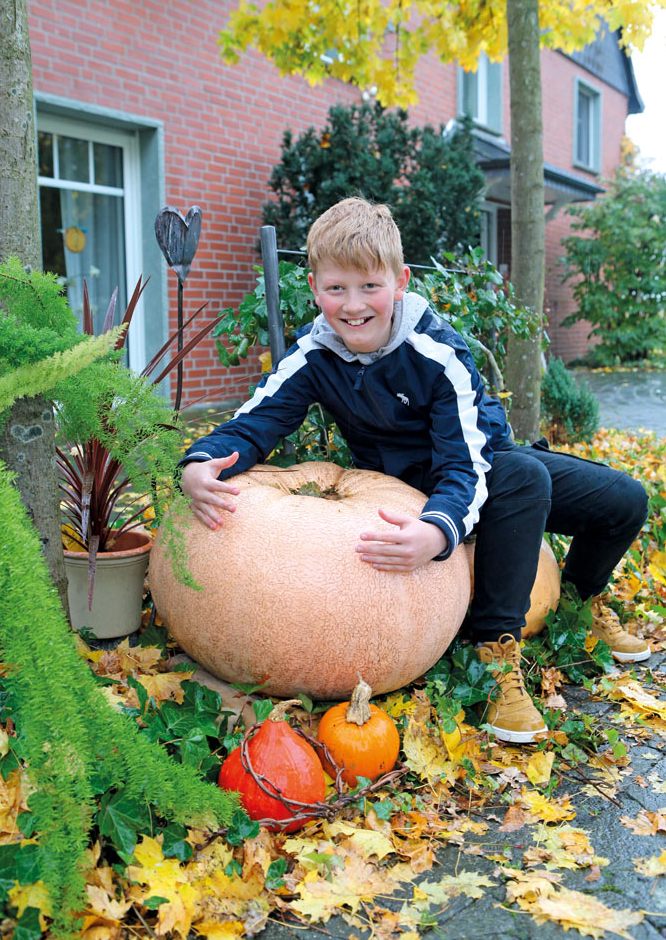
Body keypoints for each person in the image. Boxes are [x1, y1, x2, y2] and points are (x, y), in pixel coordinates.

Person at [180, 197, 649, 744]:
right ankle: (495, 651)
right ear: (314, 289)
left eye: (368, 287)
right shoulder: (313, 354)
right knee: (527, 478)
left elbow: (467, 461)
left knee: (623, 500)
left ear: (400, 282)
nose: (352, 306)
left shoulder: (436, 351)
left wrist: (439, 529)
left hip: (472, 464)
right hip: (398, 483)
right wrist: (201, 461)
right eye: (335, 289)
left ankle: (580, 601)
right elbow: (257, 419)